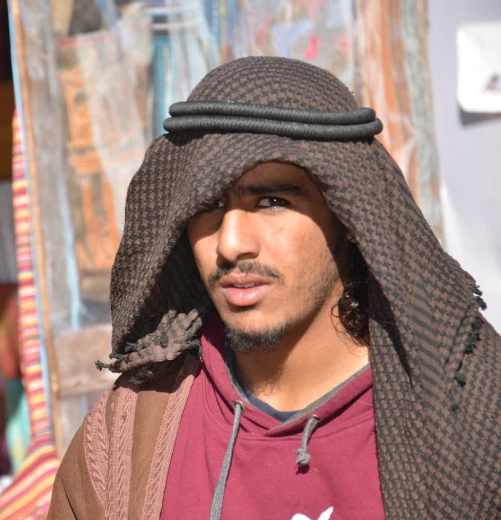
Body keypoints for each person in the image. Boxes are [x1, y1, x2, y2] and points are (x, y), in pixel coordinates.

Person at [48, 57, 501, 519]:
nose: (230, 244)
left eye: (272, 201)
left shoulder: (473, 412)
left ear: (346, 215)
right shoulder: (128, 436)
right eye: (208, 206)